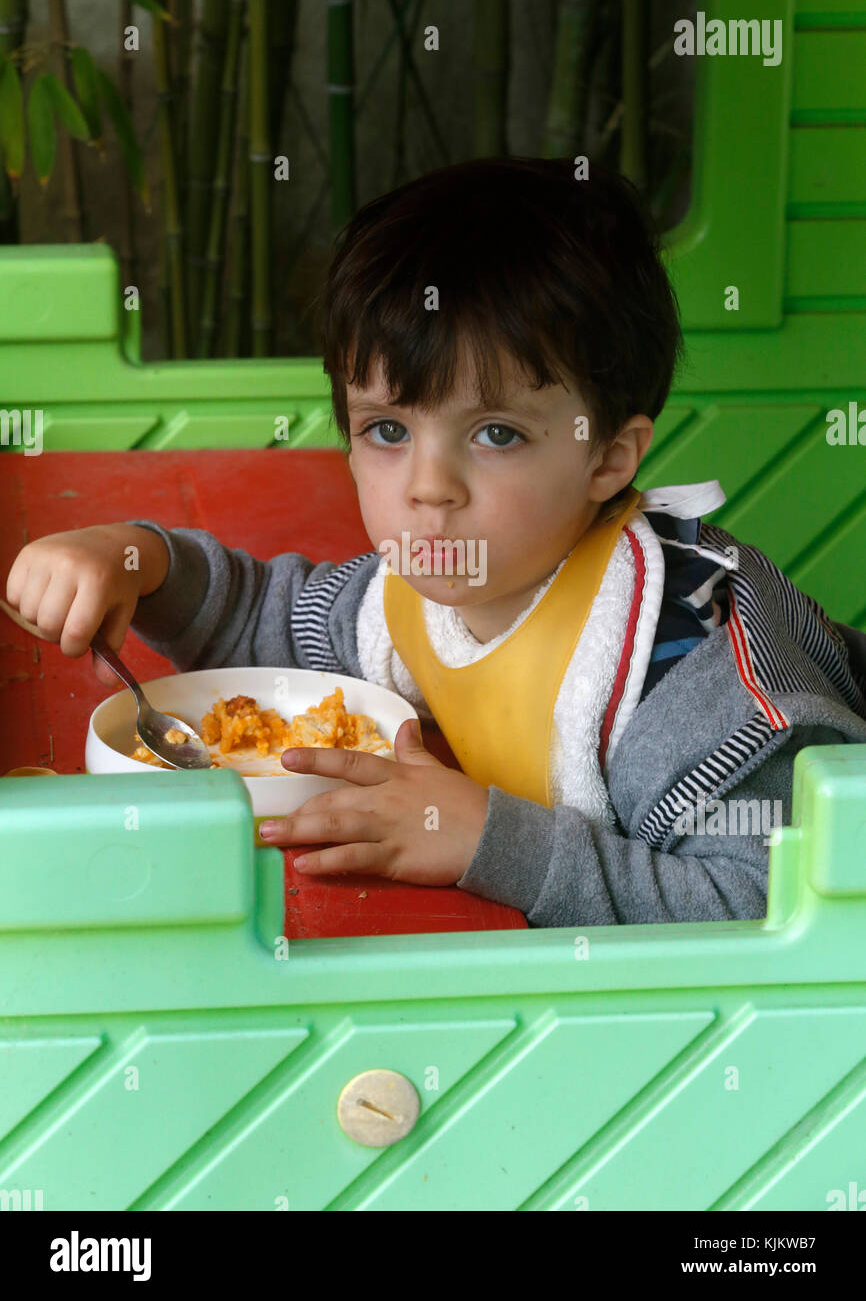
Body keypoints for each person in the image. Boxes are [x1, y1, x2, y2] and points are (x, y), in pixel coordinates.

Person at [8, 156, 866, 926]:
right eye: (386, 431)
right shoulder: (418, 591)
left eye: (495, 434)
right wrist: (137, 561)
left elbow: (777, 911)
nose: (428, 487)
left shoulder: (681, 670)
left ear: (607, 457)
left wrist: (487, 843)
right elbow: (269, 625)